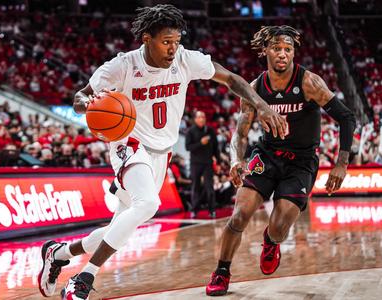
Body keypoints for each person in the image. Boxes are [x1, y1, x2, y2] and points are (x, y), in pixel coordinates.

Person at [36, 5, 287, 299]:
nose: (173, 48)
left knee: (120, 228)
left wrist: (262, 105)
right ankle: (83, 279)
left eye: (176, 42)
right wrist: (90, 103)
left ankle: (59, 252)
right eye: (166, 42)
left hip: (161, 153)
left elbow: (231, 79)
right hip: (127, 144)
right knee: (148, 205)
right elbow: (80, 96)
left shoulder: (185, 60)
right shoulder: (123, 66)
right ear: (146, 38)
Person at [205, 25, 356, 296]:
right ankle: (222, 272)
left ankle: (270, 241)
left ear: (294, 52)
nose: (283, 54)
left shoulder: (310, 82)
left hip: (302, 161)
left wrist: (341, 163)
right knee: (239, 216)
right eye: (276, 49)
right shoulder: (254, 88)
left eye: (288, 49)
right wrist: (236, 160)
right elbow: (239, 133)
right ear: (265, 52)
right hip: (266, 156)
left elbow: (346, 117)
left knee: (278, 226)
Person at [185, 111, 221, 218]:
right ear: (195, 119)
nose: (201, 119)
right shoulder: (190, 131)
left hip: (207, 163)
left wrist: (218, 162)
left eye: (203, 117)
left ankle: (212, 210)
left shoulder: (210, 131)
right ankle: (194, 210)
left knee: (209, 187)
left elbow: (216, 148)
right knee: (195, 186)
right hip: (195, 163)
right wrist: (201, 143)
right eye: (199, 117)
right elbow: (188, 147)